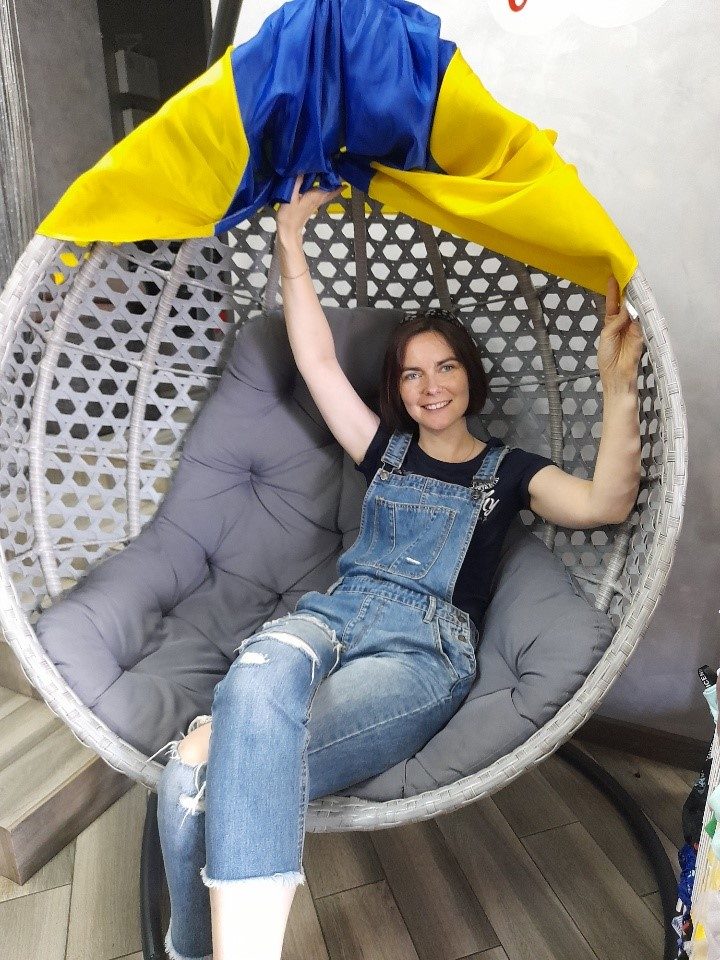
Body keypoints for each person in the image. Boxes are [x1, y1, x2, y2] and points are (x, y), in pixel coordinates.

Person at [154, 174, 644, 960]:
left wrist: (617, 385)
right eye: (412, 374)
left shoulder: (510, 471)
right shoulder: (385, 451)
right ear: (399, 390)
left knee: (192, 773)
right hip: (336, 616)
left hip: (423, 652)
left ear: (469, 375)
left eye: (444, 367)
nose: (429, 386)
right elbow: (316, 361)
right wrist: (289, 240)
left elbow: (605, 503)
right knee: (256, 674)